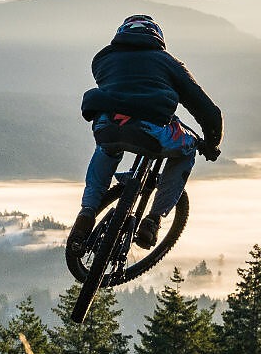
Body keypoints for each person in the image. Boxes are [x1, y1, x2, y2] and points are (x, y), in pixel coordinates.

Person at [69, 14, 222, 249]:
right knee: (187, 149)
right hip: (150, 130)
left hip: (107, 125)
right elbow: (207, 111)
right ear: (157, 37)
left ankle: (87, 212)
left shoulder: (102, 59)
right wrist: (211, 144)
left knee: (107, 148)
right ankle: (153, 219)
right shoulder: (168, 62)